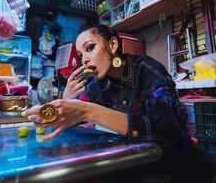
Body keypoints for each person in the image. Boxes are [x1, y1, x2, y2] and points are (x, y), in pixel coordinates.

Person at [23, 24, 216, 182]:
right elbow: (75, 114)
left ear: (113, 45)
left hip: (176, 167)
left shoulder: (148, 71)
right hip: (134, 166)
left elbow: (166, 130)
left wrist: (90, 111)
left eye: (90, 48)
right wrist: (62, 103)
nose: (85, 60)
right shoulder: (97, 85)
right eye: (81, 55)